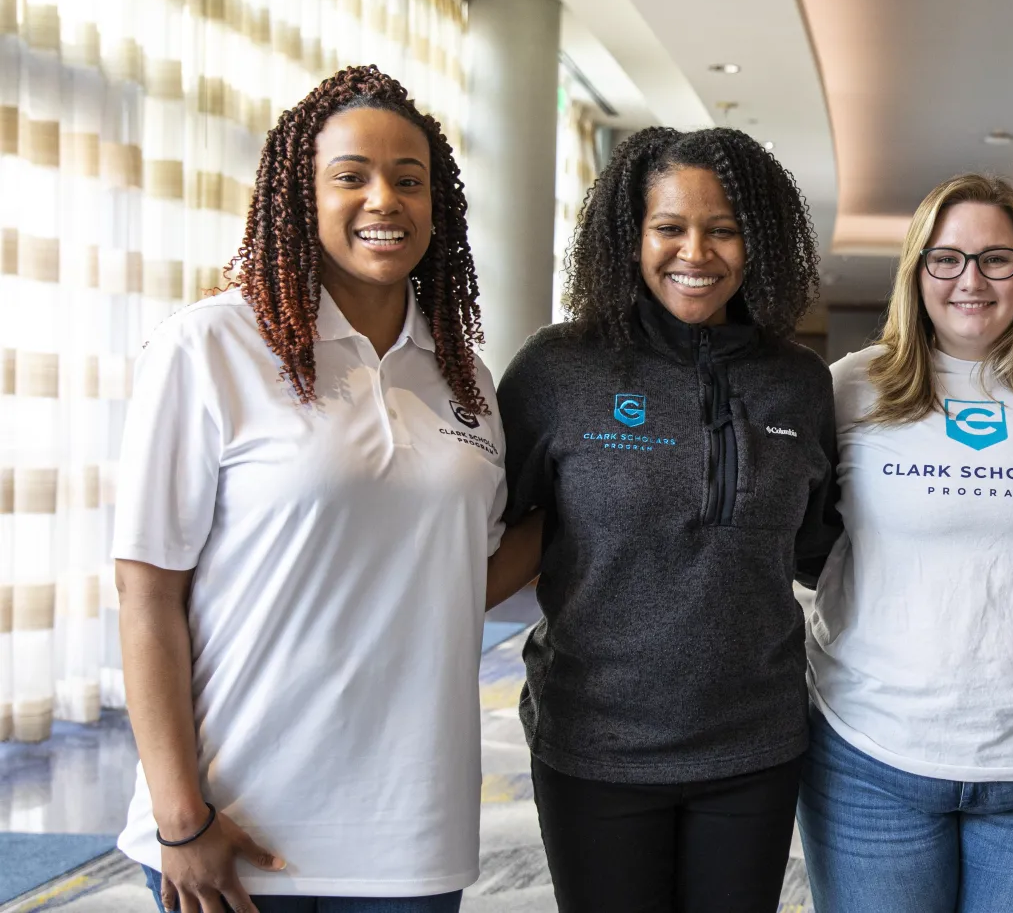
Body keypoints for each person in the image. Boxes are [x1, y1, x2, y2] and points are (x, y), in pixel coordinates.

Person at [114, 66, 504, 913]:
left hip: (412, 829)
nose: (384, 200)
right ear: (301, 195)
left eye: (410, 180)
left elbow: (465, 571)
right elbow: (147, 593)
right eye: (350, 177)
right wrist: (180, 817)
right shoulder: (210, 347)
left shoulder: (465, 377)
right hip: (236, 822)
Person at [486, 126, 836, 913]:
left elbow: (818, 545)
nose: (695, 253)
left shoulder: (799, 382)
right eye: (670, 228)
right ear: (631, 238)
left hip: (755, 742)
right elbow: (488, 522)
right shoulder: (558, 368)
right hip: (595, 743)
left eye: (724, 230)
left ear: (758, 242)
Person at [799, 174, 1013, 913]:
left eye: (996, 259)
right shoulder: (850, 388)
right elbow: (805, 535)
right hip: (871, 754)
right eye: (946, 258)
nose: (971, 280)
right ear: (916, 270)